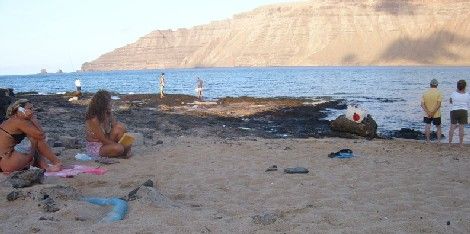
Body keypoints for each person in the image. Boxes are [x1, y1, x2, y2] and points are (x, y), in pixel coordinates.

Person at [0, 99, 62, 172]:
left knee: (32, 139)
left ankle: (44, 166)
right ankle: (56, 163)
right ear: (20, 109)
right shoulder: (19, 121)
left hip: (4, 162)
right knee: (34, 138)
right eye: (29, 109)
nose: (32, 111)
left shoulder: (12, 119)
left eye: (32, 108)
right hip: (7, 164)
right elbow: (41, 136)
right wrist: (33, 119)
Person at [85, 90, 131, 158]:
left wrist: (110, 114)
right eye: (110, 102)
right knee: (119, 148)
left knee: (120, 127)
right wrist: (122, 146)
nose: (112, 103)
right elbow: (102, 139)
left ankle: (124, 151)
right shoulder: (94, 119)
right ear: (103, 104)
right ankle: (122, 151)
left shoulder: (107, 113)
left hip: (106, 142)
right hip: (97, 146)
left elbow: (116, 127)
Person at [448, 80, 470, 147]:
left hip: (454, 111)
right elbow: (467, 103)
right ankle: (461, 144)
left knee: (452, 127)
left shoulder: (453, 93)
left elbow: (450, 101)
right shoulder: (467, 94)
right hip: (463, 111)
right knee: (461, 128)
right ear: (465, 87)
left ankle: (449, 143)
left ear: (457, 86)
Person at [421, 79, 443, 143]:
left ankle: (428, 141)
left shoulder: (425, 92)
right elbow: (438, 105)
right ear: (437, 85)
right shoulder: (439, 93)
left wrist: (428, 112)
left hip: (427, 113)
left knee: (427, 126)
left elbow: (422, 104)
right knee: (438, 127)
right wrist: (433, 113)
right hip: (436, 114)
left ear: (430, 85)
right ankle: (438, 141)